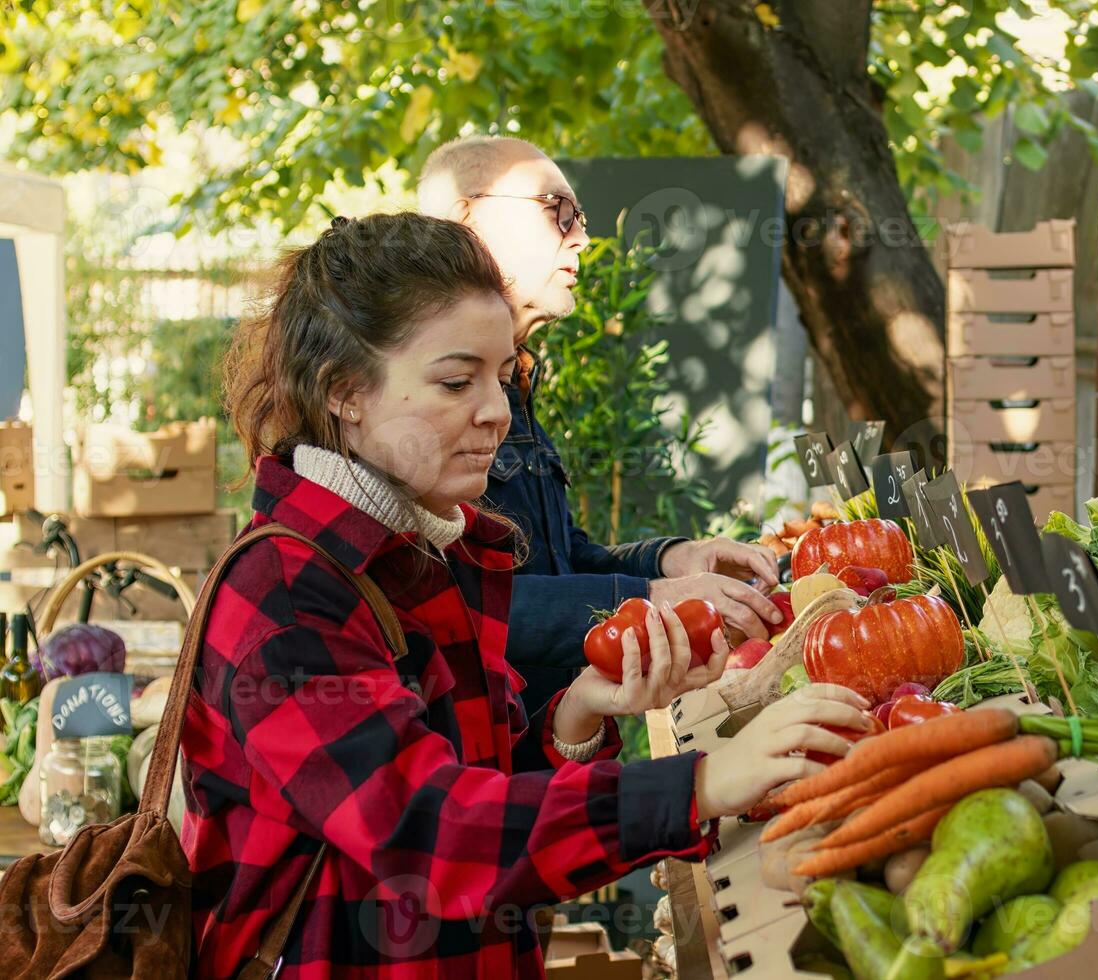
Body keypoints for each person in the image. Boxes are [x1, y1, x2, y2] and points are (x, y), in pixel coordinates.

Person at [186, 212, 870, 977]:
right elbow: (434, 837)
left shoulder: (436, 546)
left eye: (503, 375)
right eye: (456, 382)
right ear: (345, 392)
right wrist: (707, 781)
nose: (497, 412)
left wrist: (579, 710)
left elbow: (489, 778)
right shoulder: (282, 597)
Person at [416, 135, 783, 714]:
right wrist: (650, 596)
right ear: (469, 219)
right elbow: (453, 604)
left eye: (580, 216)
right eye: (557, 211)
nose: (583, 236)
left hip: (543, 752)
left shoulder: (518, 378)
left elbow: (560, 560)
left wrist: (669, 559)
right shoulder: (409, 404)